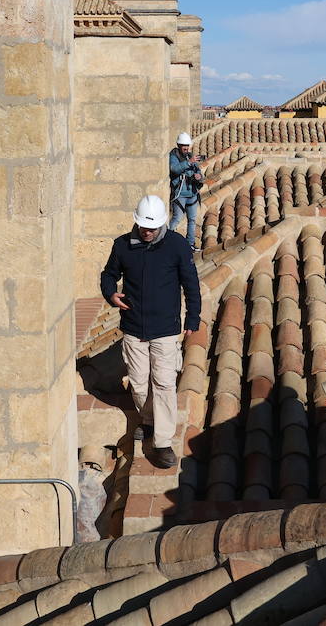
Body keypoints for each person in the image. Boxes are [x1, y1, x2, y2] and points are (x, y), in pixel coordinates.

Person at [100, 194, 200, 468]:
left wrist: (193, 318)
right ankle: (148, 420)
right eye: (144, 226)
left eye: (152, 227)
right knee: (140, 381)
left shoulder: (177, 246)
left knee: (165, 383)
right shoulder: (122, 246)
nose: (147, 231)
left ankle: (163, 441)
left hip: (165, 329)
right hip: (133, 328)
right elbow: (108, 275)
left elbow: (191, 283)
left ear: (162, 225)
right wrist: (111, 294)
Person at [169, 131, 205, 249]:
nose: (186, 148)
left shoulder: (190, 156)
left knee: (192, 220)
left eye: (187, 146)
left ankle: (190, 244)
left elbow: (197, 170)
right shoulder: (174, 156)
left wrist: (199, 176)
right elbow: (174, 169)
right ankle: (167, 241)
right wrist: (188, 162)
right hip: (180, 193)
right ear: (179, 145)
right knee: (177, 219)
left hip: (192, 192)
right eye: (184, 146)